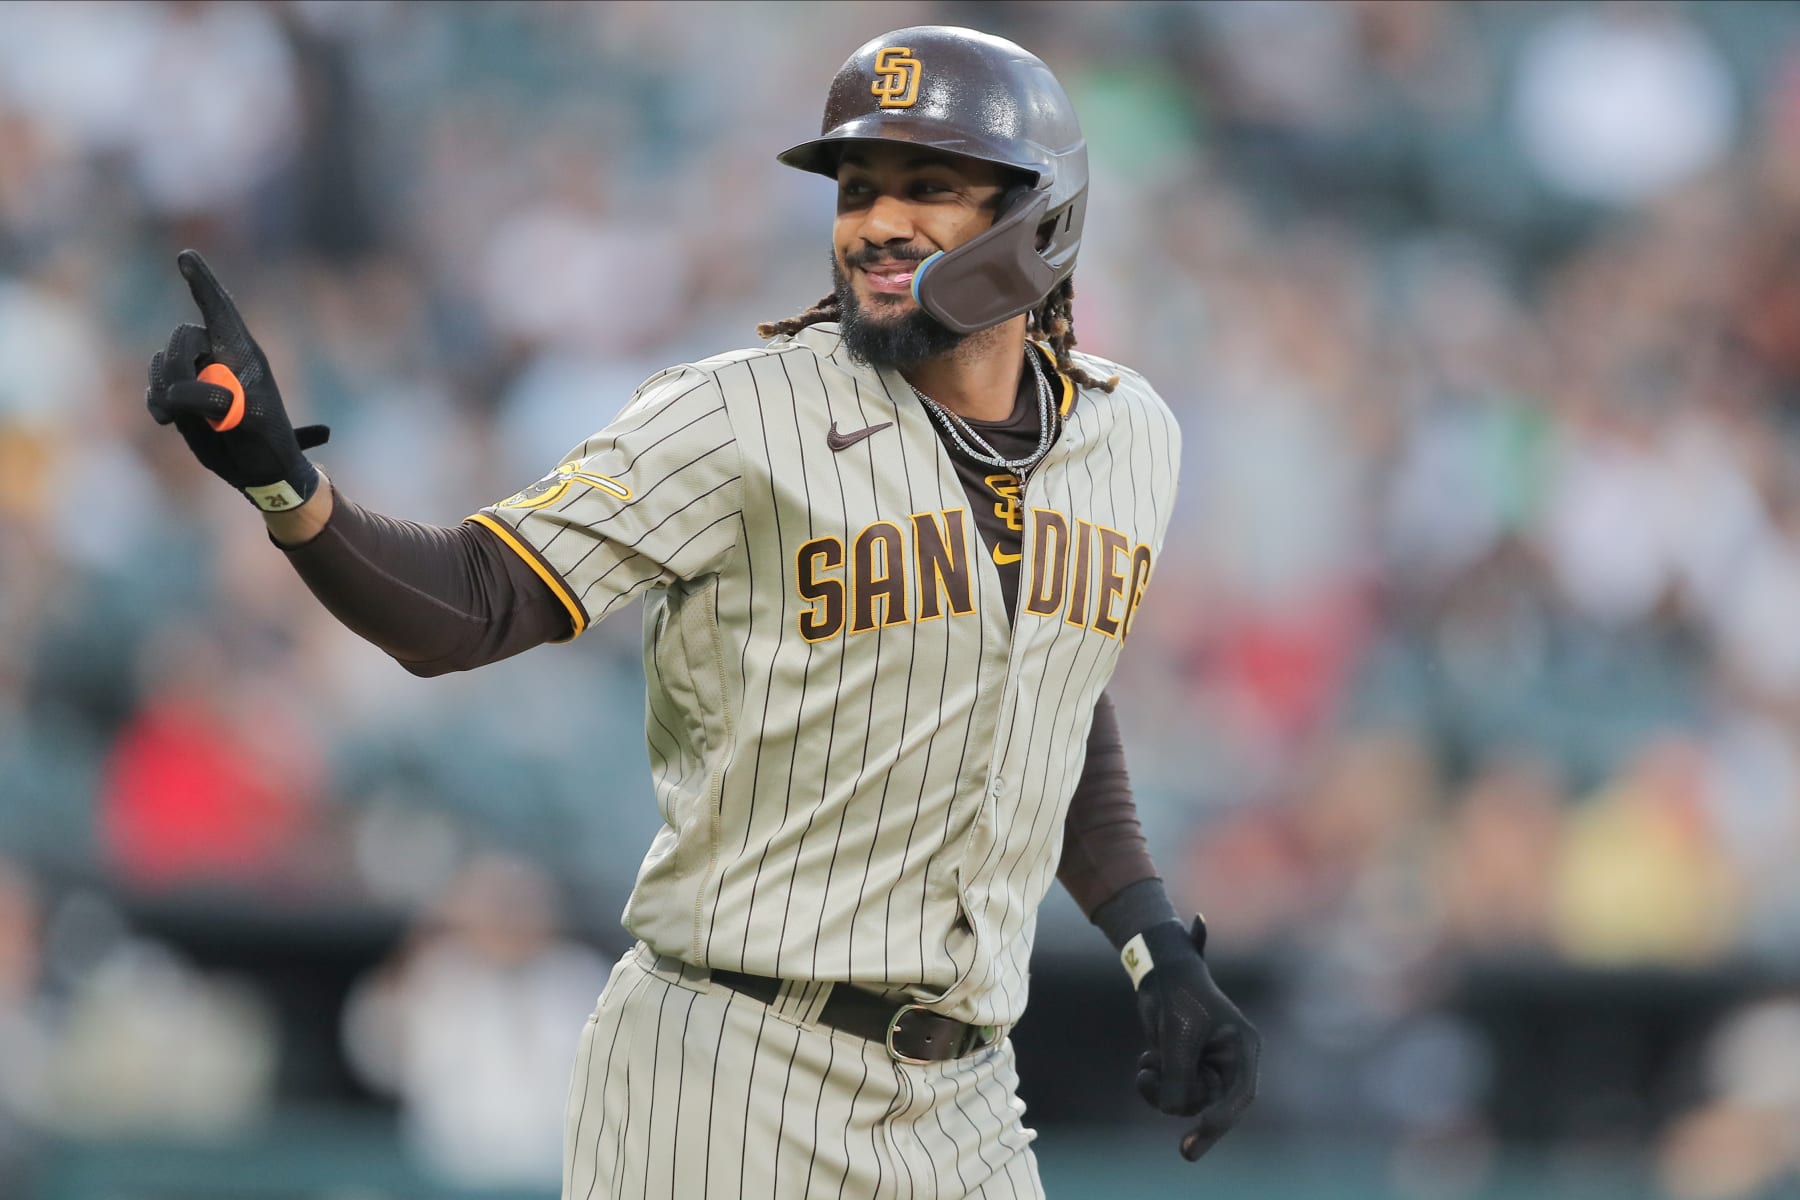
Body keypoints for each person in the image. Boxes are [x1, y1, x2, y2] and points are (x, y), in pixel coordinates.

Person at [144, 25, 1259, 1200]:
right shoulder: (735, 417)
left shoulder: (1129, 434)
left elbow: (1048, 692)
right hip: (727, 1074)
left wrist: (1152, 944)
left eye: (930, 188)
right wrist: (286, 484)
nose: (878, 222)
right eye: (858, 189)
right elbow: (474, 602)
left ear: (1044, 217)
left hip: (965, 1098)